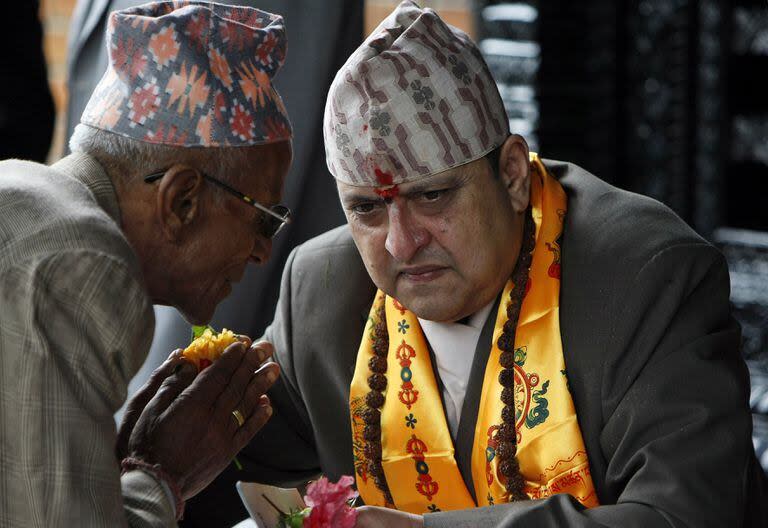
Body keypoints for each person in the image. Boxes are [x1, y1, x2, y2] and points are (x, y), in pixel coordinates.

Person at [229, 2, 766, 526]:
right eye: (366, 209)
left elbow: (681, 515)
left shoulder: (646, 278)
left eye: (433, 196)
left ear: (511, 174)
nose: (400, 243)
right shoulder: (321, 288)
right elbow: (234, 478)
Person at [0, 2, 293, 525]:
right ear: (182, 200)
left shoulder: (24, 191)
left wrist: (115, 462)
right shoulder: (82, 259)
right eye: (264, 219)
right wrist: (163, 476)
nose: (263, 252)